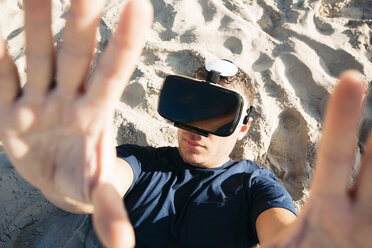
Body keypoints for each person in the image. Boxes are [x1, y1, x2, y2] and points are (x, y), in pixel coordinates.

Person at [0, 0, 370, 248]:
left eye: (219, 116)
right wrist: (68, 176)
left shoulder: (254, 183)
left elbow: (280, 231)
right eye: (191, 110)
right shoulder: (142, 164)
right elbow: (92, 185)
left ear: (243, 128)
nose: (197, 129)